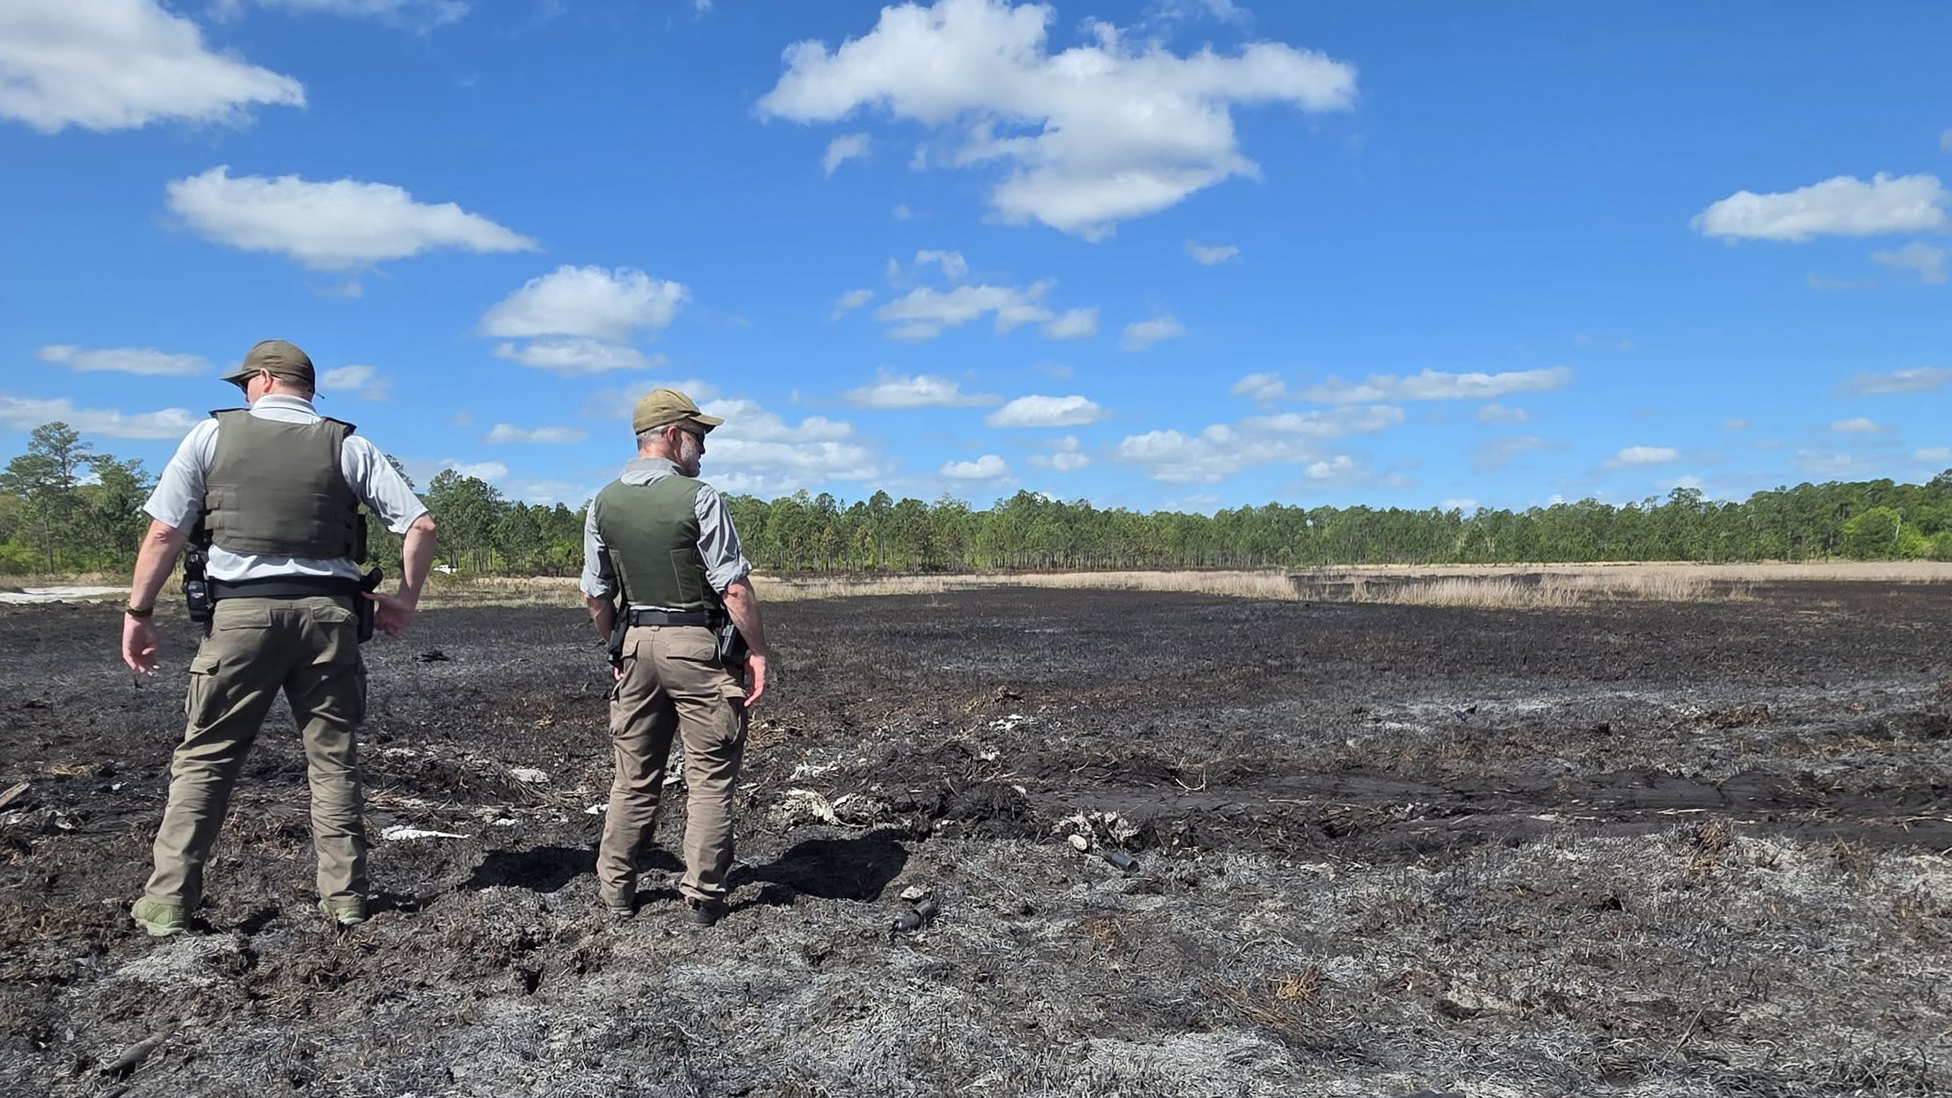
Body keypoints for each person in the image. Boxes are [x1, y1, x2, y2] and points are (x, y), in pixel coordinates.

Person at [120, 339, 437, 936]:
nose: (244, 391)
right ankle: (345, 899)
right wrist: (405, 599)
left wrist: (139, 611)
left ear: (264, 379)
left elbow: (165, 533)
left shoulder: (210, 437)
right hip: (329, 619)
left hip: (241, 617)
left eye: (246, 381)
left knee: (207, 756)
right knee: (332, 759)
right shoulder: (350, 446)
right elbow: (420, 526)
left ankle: (168, 901)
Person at [581, 387, 770, 927]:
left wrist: (619, 647)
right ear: (670, 435)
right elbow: (733, 588)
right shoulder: (700, 498)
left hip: (636, 645)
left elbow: (596, 595)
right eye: (698, 436)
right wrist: (758, 651)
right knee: (709, 779)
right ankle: (703, 896)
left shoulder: (602, 503)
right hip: (697, 648)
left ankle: (616, 893)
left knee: (633, 778)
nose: (703, 448)